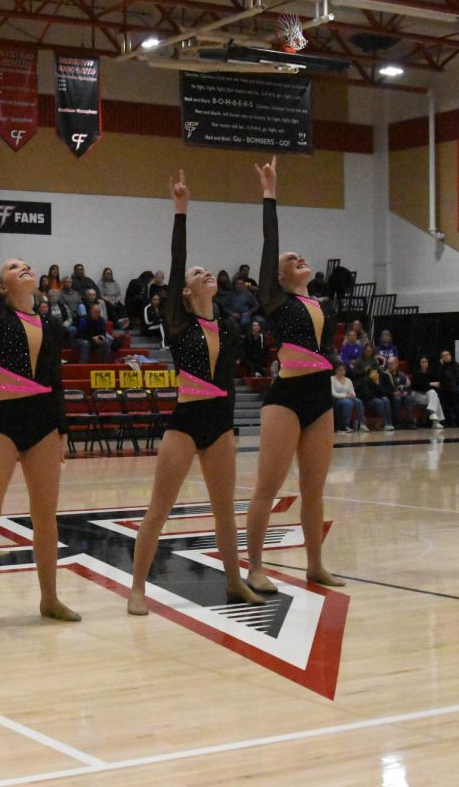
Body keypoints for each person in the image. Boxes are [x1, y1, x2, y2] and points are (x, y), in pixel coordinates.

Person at [128, 172, 262, 615]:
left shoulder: (226, 325)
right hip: (185, 422)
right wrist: (181, 210)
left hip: (220, 424)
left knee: (225, 511)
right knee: (159, 509)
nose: (206, 273)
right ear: (185, 293)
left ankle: (234, 582)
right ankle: (137, 589)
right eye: (197, 274)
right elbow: (177, 253)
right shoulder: (179, 321)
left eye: (208, 272)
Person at [0, 164, 78, 632]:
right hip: (3, 423)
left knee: (46, 518)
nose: (21, 267)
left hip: (44, 424)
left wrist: (64, 430)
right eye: (15, 267)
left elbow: (56, 380)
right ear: (4, 286)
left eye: (25, 264)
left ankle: (49, 597)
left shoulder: (50, 324)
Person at [247, 157, 344, 590]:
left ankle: (315, 564)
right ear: (280, 276)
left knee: (315, 488)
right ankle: (254, 566)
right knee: (268, 487)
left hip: (320, 397)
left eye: (300, 256)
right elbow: (271, 248)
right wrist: (270, 195)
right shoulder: (276, 301)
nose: (297, 258)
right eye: (291, 259)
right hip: (285, 398)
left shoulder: (322, 304)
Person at [330, 363, 367, 433]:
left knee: (358, 401)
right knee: (348, 403)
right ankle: (344, 426)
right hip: (336, 400)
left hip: (348, 398)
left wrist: (351, 395)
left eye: (343, 370)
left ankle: (362, 423)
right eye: (339, 370)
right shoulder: (332, 379)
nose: (341, 372)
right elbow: (333, 393)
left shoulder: (348, 380)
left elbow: (353, 393)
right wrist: (346, 396)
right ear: (335, 371)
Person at [410, 356, 445, 430]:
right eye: (422, 362)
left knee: (433, 393)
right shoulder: (416, 372)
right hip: (417, 395)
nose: (424, 364)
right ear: (420, 363)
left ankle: (433, 414)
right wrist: (430, 384)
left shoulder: (431, 372)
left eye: (426, 362)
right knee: (435, 398)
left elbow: (437, 385)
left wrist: (429, 385)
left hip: (427, 395)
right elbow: (417, 386)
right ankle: (435, 421)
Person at [357, 367, 394, 431]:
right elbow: (367, 394)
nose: (375, 374)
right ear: (369, 374)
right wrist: (378, 395)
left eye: (376, 372)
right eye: (373, 372)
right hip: (368, 401)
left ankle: (389, 423)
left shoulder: (379, 380)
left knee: (386, 400)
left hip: (377, 398)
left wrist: (377, 383)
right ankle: (384, 423)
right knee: (378, 401)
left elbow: (384, 393)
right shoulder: (365, 380)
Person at [386, 357, 414, 428]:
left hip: (401, 395)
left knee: (409, 398)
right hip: (390, 396)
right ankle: (397, 422)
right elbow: (383, 389)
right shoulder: (385, 375)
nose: (389, 365)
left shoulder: (402, 375)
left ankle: (410, 422)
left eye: (391, 364)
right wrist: (393, 393)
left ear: (396, 364)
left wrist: (406, 392)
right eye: (388, 364)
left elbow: (409, 387)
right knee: (397, 399)